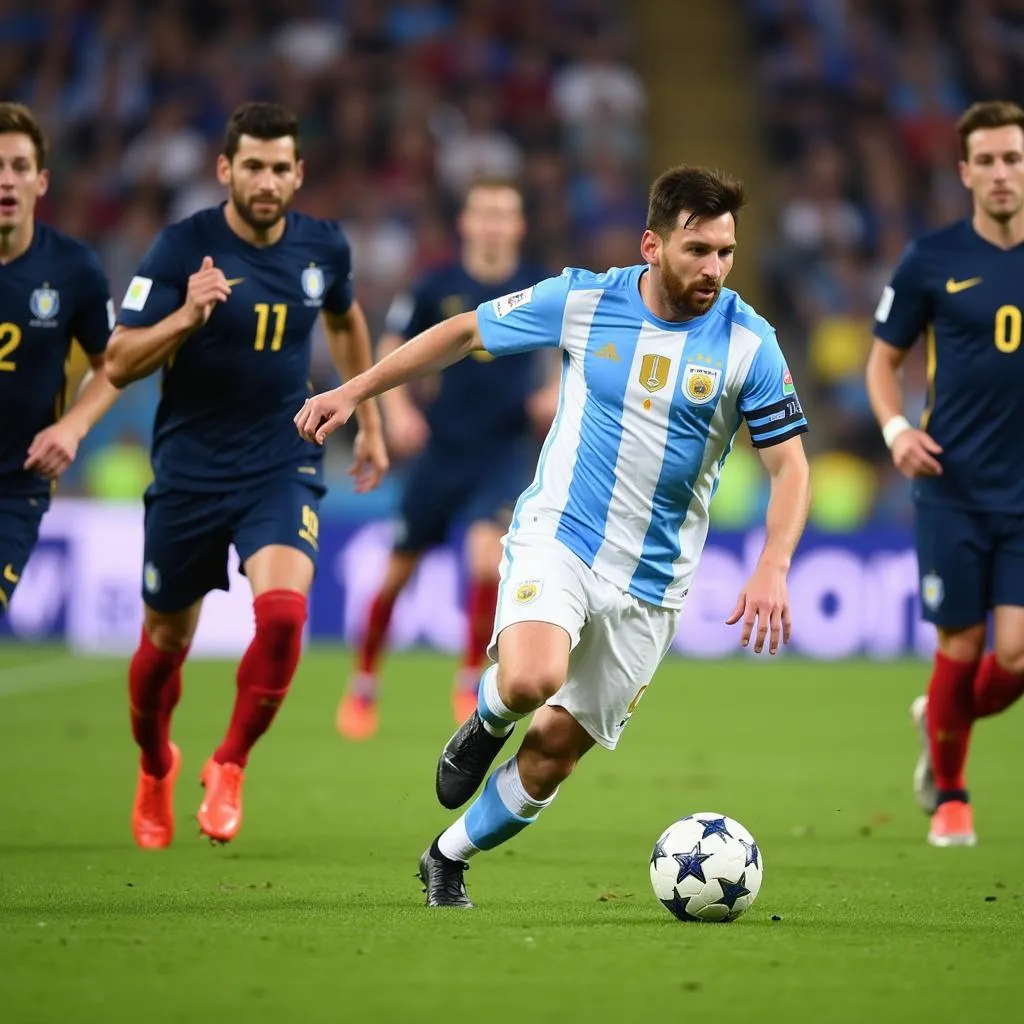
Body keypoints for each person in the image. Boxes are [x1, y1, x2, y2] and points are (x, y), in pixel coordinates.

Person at [296, 165, 811, 907]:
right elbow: (464, 332)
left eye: (725, 252)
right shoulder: (586, 299)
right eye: (698, 250)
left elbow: (791, 469)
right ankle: (485, 717)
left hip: (653, 585)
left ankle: (446, 857)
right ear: (652, 245)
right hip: (560, 535)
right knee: (532, 679)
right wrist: (352, 391)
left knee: (553, 755)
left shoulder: (748, 343)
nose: (715, 269)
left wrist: (774, 564)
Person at [105, 102, 388, 850]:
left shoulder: (324, 247)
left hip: (280, 460)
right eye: (252, 167)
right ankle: (155, 762)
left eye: (280, 168)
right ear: (226, 170)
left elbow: (346, 321)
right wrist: (184, 319)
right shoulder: (180, 249)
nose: (267, 182)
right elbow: (117, 360)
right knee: (165, 643)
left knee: (287, 614)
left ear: (299, 173)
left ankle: (229, 762)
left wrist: (371, 418)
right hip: (190, 473)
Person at [339, 179, 555, 740]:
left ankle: (468, 680)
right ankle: (364, 682)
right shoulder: (437, 285)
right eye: (483, 213)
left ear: (518, 226)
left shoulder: (537, 285)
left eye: (504, 214)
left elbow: (572, 346)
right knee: (396, 574)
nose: (493, 224)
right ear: (466, 224)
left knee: (488, 560)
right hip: (442, 448)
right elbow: (392, 348)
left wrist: (555, 390)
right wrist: (398, 412)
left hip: (505, 450)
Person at [866, 100, 1024, 849]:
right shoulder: (931, 259)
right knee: (959, 650)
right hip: (952, 487)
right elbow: (881, 362)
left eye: (1013, 158)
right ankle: (952, 797)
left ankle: (938, 715)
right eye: (987, 161)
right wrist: (896, 429)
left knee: (1016, 655)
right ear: (965, 172)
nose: (1002, 173)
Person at [0, 102, 120, 615]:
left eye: (19, 167)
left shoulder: (73, 269)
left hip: (14, 487)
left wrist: (72, 426)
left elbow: (112, 366)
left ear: (41, 182)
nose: (6, 181)